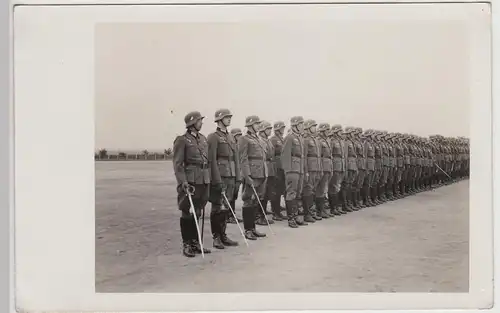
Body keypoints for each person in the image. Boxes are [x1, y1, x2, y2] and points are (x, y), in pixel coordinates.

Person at [172, 111, 212, 258]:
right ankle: (187, 244)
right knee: (187, 211)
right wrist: (183, 182)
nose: (201, 123)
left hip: (203, 179)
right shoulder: (182, 140)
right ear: (192, 123)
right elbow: (178, 164)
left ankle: (196, 243)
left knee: (198, 211)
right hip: (190, 180)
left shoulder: (202, 139)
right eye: (199, 121)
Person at [206, 108, 240, 249]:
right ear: (219, 120)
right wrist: (216, 179)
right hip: (220, 174)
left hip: (231, 174)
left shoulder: (231, 137)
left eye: (230, 117)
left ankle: (223, 234)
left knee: (227, 205)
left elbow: (236, 158)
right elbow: (211, 160)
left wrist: (238, 176)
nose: (229, 119)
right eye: (226, 117)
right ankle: (216, 237)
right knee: (217, 205)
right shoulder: (213, 137)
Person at [238, 115, 268, 240]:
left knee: (256, 200)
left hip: (261, 173)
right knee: (248, 200)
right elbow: (243, 159)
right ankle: (247, 230)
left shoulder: (259, 139)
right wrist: (247, 175)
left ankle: (253, 228)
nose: (259, 126)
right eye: (256, 124)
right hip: (252, 174)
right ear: (250, 125)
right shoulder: (244, 139)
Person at [281, 116, 307, 228]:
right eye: (301, 124)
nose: (303, 126)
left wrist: (304, 170)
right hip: (292, 169)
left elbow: (303, 156)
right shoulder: (290, 138)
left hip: (299, 168)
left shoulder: (300, 138)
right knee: (291, 193)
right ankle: (291, 218)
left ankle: (296, 217)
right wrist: (288, 170)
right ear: (295, 125)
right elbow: (285, 154)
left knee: (298, 193)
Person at [301, 119, 323, 222]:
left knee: (313, 190)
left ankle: (312, 212)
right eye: (313, 126)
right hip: (310, 168)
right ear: (308, 127)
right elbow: (304, 156)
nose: (315, 128)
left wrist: (320, 169)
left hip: (316, 168)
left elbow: (319, 156)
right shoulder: (305, 139)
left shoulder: (316, 139)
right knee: (308, 190)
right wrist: (306, 171)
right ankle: (307, 214)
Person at [257, 121, 276, 225]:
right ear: (263, 130)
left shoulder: (267, 140)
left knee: (268, 193)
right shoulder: (260, 141)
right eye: (268, 129)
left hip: (270, 167)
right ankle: (259, 216)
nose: (270, 131)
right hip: (264, 167)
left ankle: (262, 215)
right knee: (262, 194)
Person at [328, 124, 347, 215]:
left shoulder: (341, 141)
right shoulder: (332, 141)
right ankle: (333, 208)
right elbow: (330, 154)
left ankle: (337, 207)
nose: (341, 132)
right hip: (335, 166)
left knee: (337, 187)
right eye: (339, 131)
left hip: (341, 165)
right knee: (333, 186)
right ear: (336, 132)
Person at [270, 121, 287, 221]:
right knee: (275, 191)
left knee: (281, 189)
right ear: (277, 129)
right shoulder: (273, 139)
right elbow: (271, 155)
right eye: (281, 128)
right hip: (276, 167)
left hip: (282, 167)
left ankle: (278, 209)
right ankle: (275, 212)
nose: (283, 129)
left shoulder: (282, 139)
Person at [316, 123, 334, 218]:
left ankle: (322, 210)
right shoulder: (319, 141)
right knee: (320, 189)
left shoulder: (326, 141)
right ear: (322, 131)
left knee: (324, 189)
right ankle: (320, 211)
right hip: (322, 166)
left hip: (327, 166)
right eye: (326, 130)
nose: (328, 132)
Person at [227, 128, 244, 224]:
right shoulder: (231, 146)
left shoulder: (239, 146)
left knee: (234, 195)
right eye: (237, 135)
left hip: (238, 173)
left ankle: (232, 214)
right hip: (231, 172)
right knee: (230, 195)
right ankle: (229, 215)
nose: (239, 137)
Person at [343, 126, 358, 211]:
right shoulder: (346, 142)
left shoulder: (352, 142)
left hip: (353, 165)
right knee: (346, 185)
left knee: (350, 185)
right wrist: (345, 167)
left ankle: (349, 203)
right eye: (352, 132)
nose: (353, 134)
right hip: (348, 165)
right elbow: (345, 155)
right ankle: (345, 205)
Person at [353, 127, 366, 208]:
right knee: (355, 184)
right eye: (360, 133)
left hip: (362, 165)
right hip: (357, 164)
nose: (361, 134)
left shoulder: (361, 142)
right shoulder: (354, 142)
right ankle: (355, 202)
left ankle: (357, 201)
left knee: (359, 184)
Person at [362, 129, 376, 206]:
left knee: (369, 183)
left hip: (372, 165)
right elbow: (365, 156)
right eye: (372, 134)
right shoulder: (366, 143)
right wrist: (366, 168)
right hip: (368, 165)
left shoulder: (371, 143)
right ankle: (365, 200)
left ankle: (368, 199)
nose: (374, 135)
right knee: (366, 184)